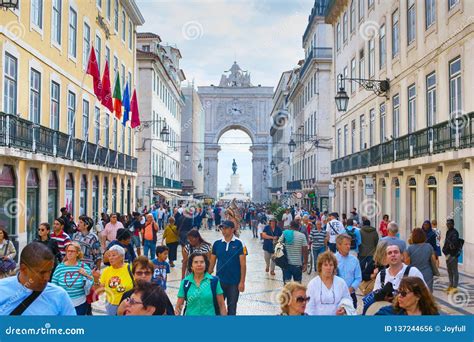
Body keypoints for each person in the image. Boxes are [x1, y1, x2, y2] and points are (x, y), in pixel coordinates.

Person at [0, 242, 75, 315]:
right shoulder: (2, 289)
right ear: (23, 269)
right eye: (41, 273)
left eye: (50, 271)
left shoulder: (60, 296)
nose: (47, 278)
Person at [209, 220, 247, 315]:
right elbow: (211, 264)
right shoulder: (217, 244)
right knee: (217, 307)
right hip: (219, 282)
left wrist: (242, 282)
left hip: (234, 283)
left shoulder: (240, 243)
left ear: (232, 229)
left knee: (232, 308)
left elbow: (243, 264)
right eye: (222, 228)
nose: (223, 230)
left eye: (226, 228)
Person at [51, 242, 93, 315]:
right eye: (68, 251)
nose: (69, 253)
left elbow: (92, 281)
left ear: (77, 253)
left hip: (80, 304)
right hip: (63, 303)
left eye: (72, 251)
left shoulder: (83, 267)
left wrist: (86, 274)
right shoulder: (60, 267)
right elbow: (54, 284)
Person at [305, 251, 353, 316]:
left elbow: (348, 299)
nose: (328, 268)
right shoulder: (312, 284)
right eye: (325, 265)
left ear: (334, 267)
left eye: (331, 265)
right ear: (320, 266)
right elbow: (309, 307)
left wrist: (344, 308)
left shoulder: (341, 283)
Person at [92, 245, 134, 315]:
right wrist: (96, 279)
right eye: (109, 256)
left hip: (128, 305)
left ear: (122, 257)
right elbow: (100, 292)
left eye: (113, 255)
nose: (110, 258)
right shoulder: (106, 271)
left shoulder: (130, 268)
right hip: (112, 306)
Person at [375, 277, 439, 315]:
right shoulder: (387, 313)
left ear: (418, 296)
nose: (399, 296)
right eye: (398, 292)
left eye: (403, 293)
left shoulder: (432, 314)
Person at [403, 228, 437, 292]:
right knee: (428, 292)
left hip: (414, 273)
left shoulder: (410, 248)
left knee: (416, 292)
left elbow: (406, 263)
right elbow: (434, 260)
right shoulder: (429, 246)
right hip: (427, 273)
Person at [335, 234, 362, 309]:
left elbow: (358, 278)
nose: (348, 246)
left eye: (349, 244)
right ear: (339, 245)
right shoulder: (333, 259)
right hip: (336, 295)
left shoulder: (354, 260)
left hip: (351, 294)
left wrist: (351, 289)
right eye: (346, 244)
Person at [442, 219, 462, 294]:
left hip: (453, 255)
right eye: (447, 224)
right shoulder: (448, 232)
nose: (448, 225)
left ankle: (455, 287)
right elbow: (446, 242)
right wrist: (444, 250)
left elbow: (454, 244)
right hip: (448, 254)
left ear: (453, 224)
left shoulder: (455, 232)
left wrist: (449, 249)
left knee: (454, 271)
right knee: (449, 271)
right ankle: (450, 285)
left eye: (450, 224)